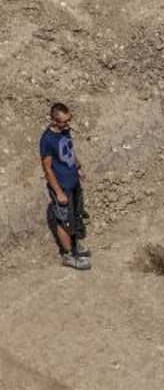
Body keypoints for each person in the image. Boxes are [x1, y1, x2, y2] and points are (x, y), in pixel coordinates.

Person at [40, 102, 90, 270]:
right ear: (53, 120)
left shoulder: (65, 131)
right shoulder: (47, 140)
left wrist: (78, 166)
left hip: (73, 182)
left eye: (69, 120)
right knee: (63, 221)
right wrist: (58, 192)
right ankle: (68, 255)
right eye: (64, 121)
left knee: (75, 215)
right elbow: (47, 168)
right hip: (62, 186)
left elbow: (70, 150)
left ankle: (75, 245)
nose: (67, 124)